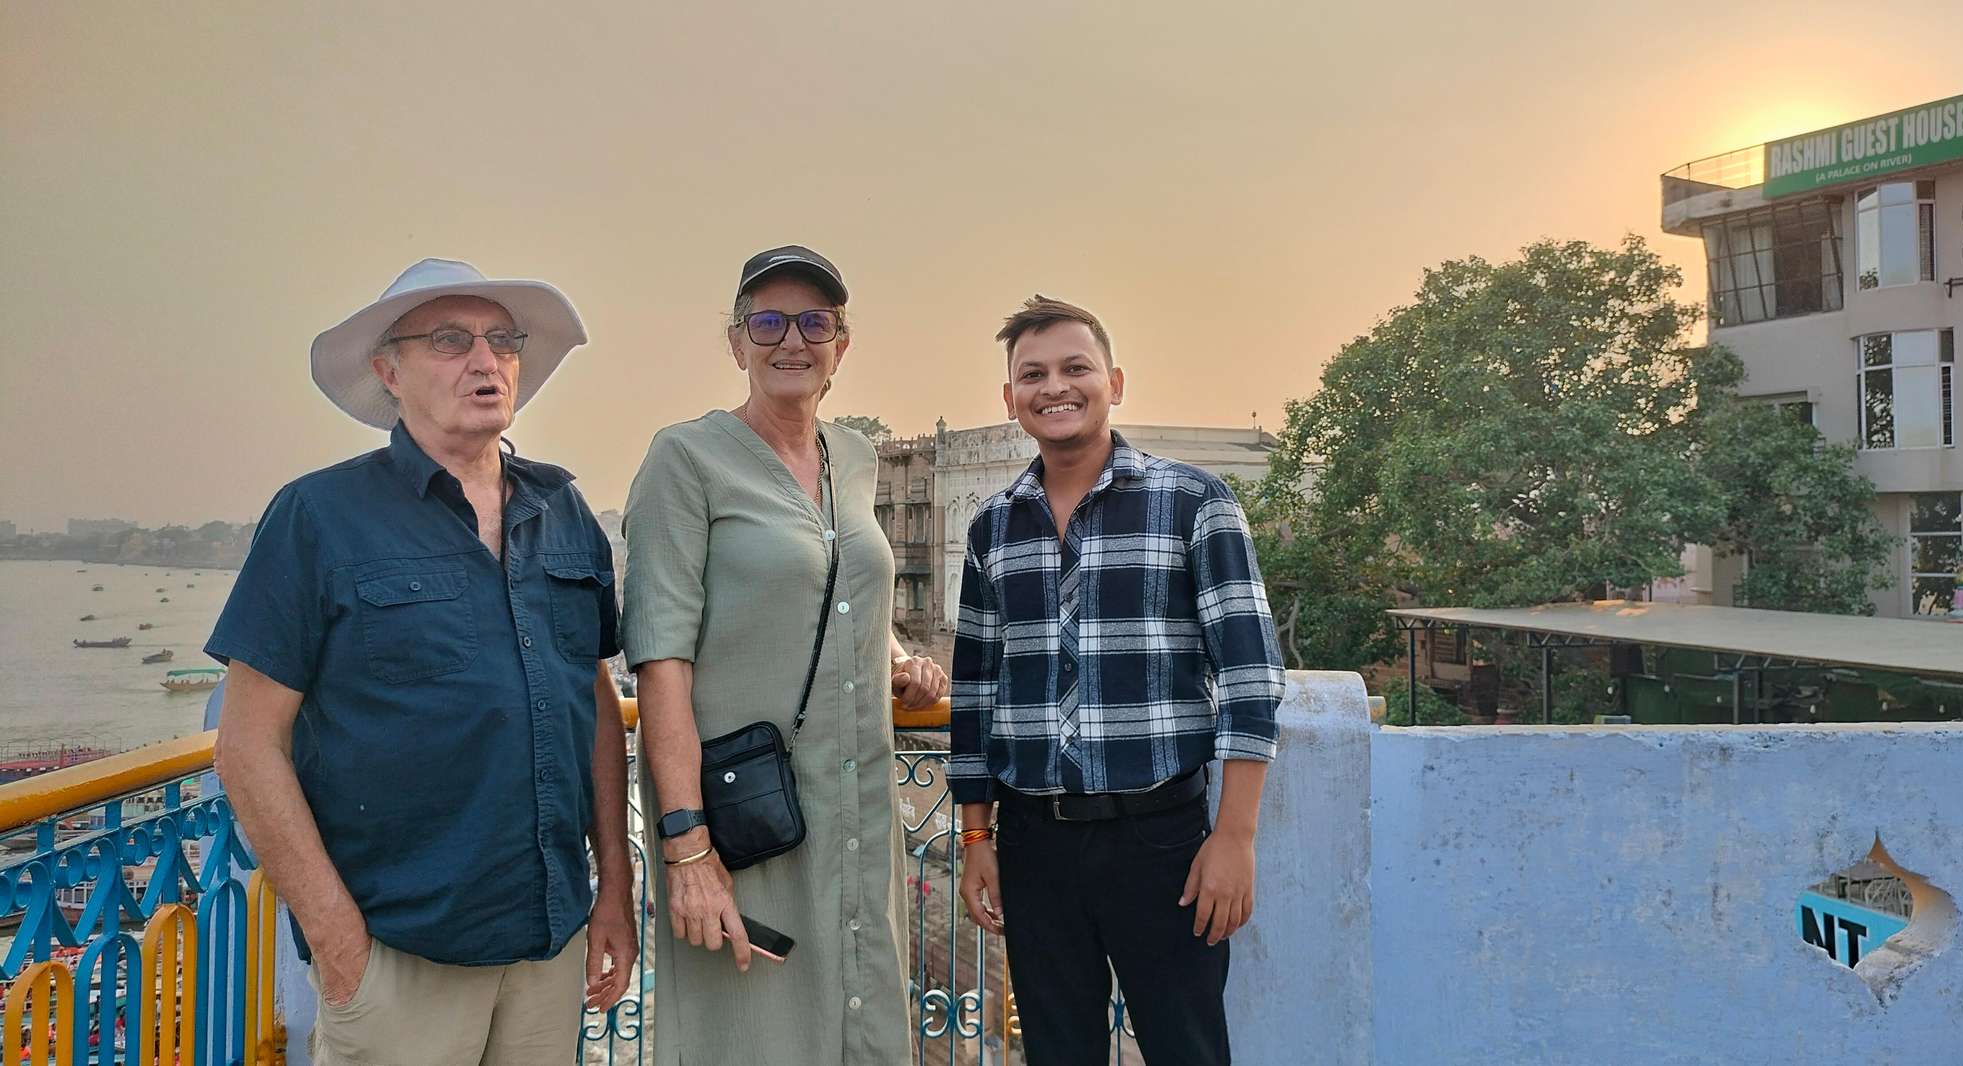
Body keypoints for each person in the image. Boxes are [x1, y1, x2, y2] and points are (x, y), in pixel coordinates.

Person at [209, 259, 637, 1066]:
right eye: (449, 340)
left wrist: (615, 886)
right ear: (388, 372)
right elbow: (247, 744)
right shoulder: (318, 517)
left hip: (548, 948)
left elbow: (594, 705)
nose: (485, 360)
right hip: (399, 955)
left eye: (501, 340)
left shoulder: (563, 510)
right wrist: (338, 941)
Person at [623, 245, 947, 1065]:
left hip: (856, 813)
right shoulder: (685, 459)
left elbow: (840, 583)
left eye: (814, 323)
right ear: (736, 342)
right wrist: (686, 848)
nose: (792, 340)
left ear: (842, 344)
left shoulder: (856, 458)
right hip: (745, 825)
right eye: (767, 322)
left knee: (862, 1022)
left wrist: (898, 657)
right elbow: (660, 659)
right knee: (750, 1033)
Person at [949, 295, 1286, 1065]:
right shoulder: (992, 527)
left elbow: (1249, 674)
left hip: (1160, 840)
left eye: (1076, 368)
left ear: (1115, 382)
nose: (1054, 387)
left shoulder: (1193, 503)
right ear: (1010, 398)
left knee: (1186, 1048)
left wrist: (1234, 837)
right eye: (1032, 374)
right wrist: (976, 837)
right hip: (1033, 843)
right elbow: (974, 692)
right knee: (1056, 1051)